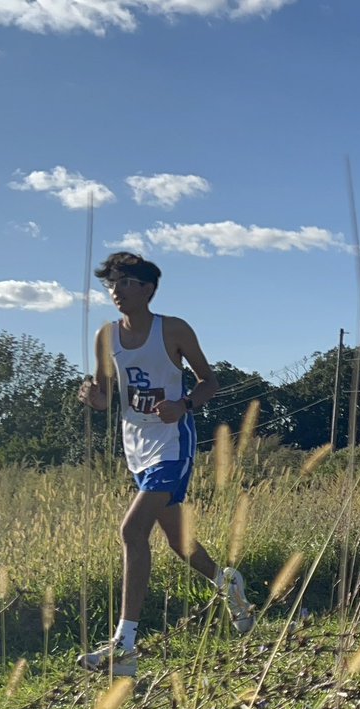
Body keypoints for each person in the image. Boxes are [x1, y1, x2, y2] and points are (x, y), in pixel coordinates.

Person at [77, 252, 253, 676]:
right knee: (179, 543)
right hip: (134, 445)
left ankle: (126, 646)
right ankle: (228, 585)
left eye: (124, 283)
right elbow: (103, 393)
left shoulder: (172, 329)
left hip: (174, 442)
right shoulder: (106, 336)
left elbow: (209, 381)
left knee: (131, 531)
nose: (115, 291)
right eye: (111, 284)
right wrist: (94, 398)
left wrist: (185, 403)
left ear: (148, 288)